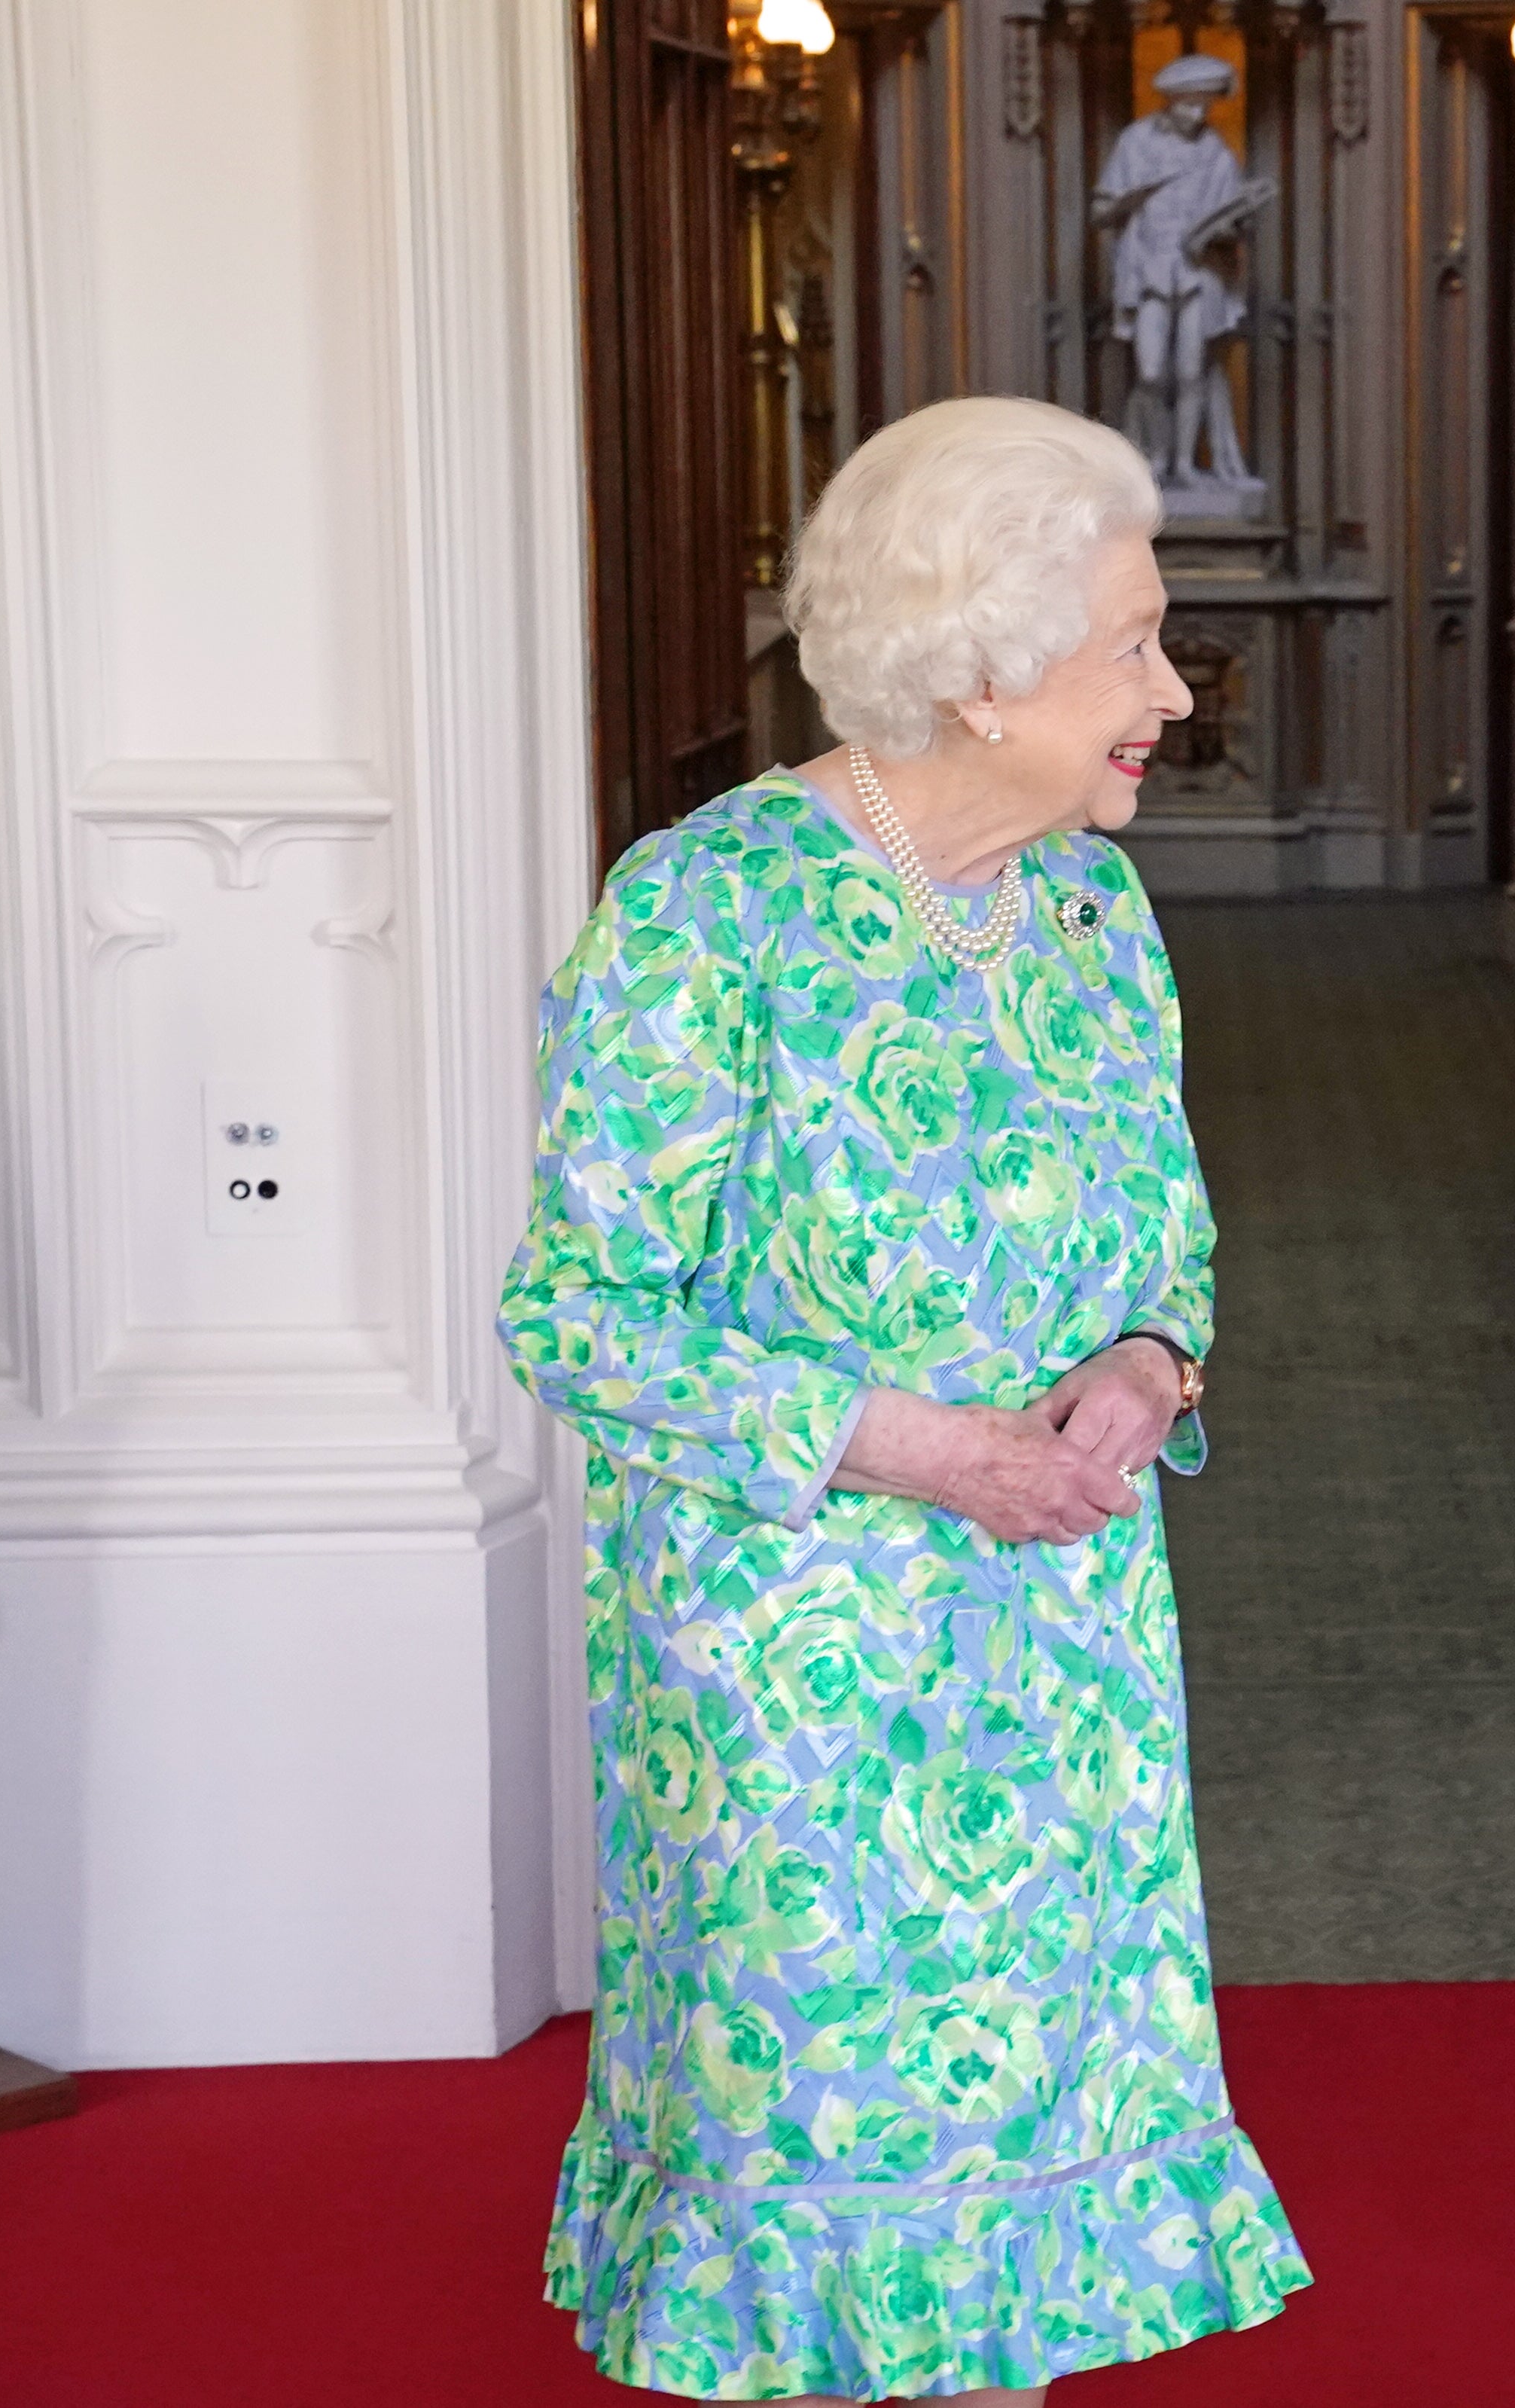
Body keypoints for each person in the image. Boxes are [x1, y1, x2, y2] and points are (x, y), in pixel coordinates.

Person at [504, 394, 1309, 2402]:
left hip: (1062, 1637)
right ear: (968, 667)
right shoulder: (710, 911)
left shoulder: (1094, 909)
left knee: (1014, 2181)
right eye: (1125, 643)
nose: (1166, 687)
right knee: (846, 2177)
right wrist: (929, 1448)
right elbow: (582, 1312)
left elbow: (1164, 1249)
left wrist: (1143, 1365)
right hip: (804, 1670)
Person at [1093, 53, 1275, 500]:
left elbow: (1237, 219)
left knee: (1194, 370)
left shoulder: (1215, 151)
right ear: (1170, 101)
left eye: (1205, 106)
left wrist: (1228, 226)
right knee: (1152, 372)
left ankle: (1185, 464)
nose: (1198, 115)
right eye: (1189, 104)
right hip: (1150, 269)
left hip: (1200, 273)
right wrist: (1128, 202)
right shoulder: (1135, 143)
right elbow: (1100, 210)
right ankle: (1153, 458)